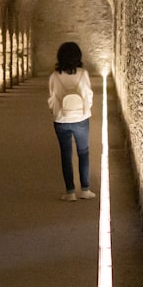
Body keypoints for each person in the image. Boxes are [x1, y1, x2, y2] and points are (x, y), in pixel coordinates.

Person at [47, 41, 95, 201]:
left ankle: (70, 192)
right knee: (83, 152)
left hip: (61, 119)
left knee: (66, 155)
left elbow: (52, 97)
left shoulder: (54, 76)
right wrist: (86, 109)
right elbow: (88, 94)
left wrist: (55, 112)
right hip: (81, 118)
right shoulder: (83, 73)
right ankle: (85, 189)